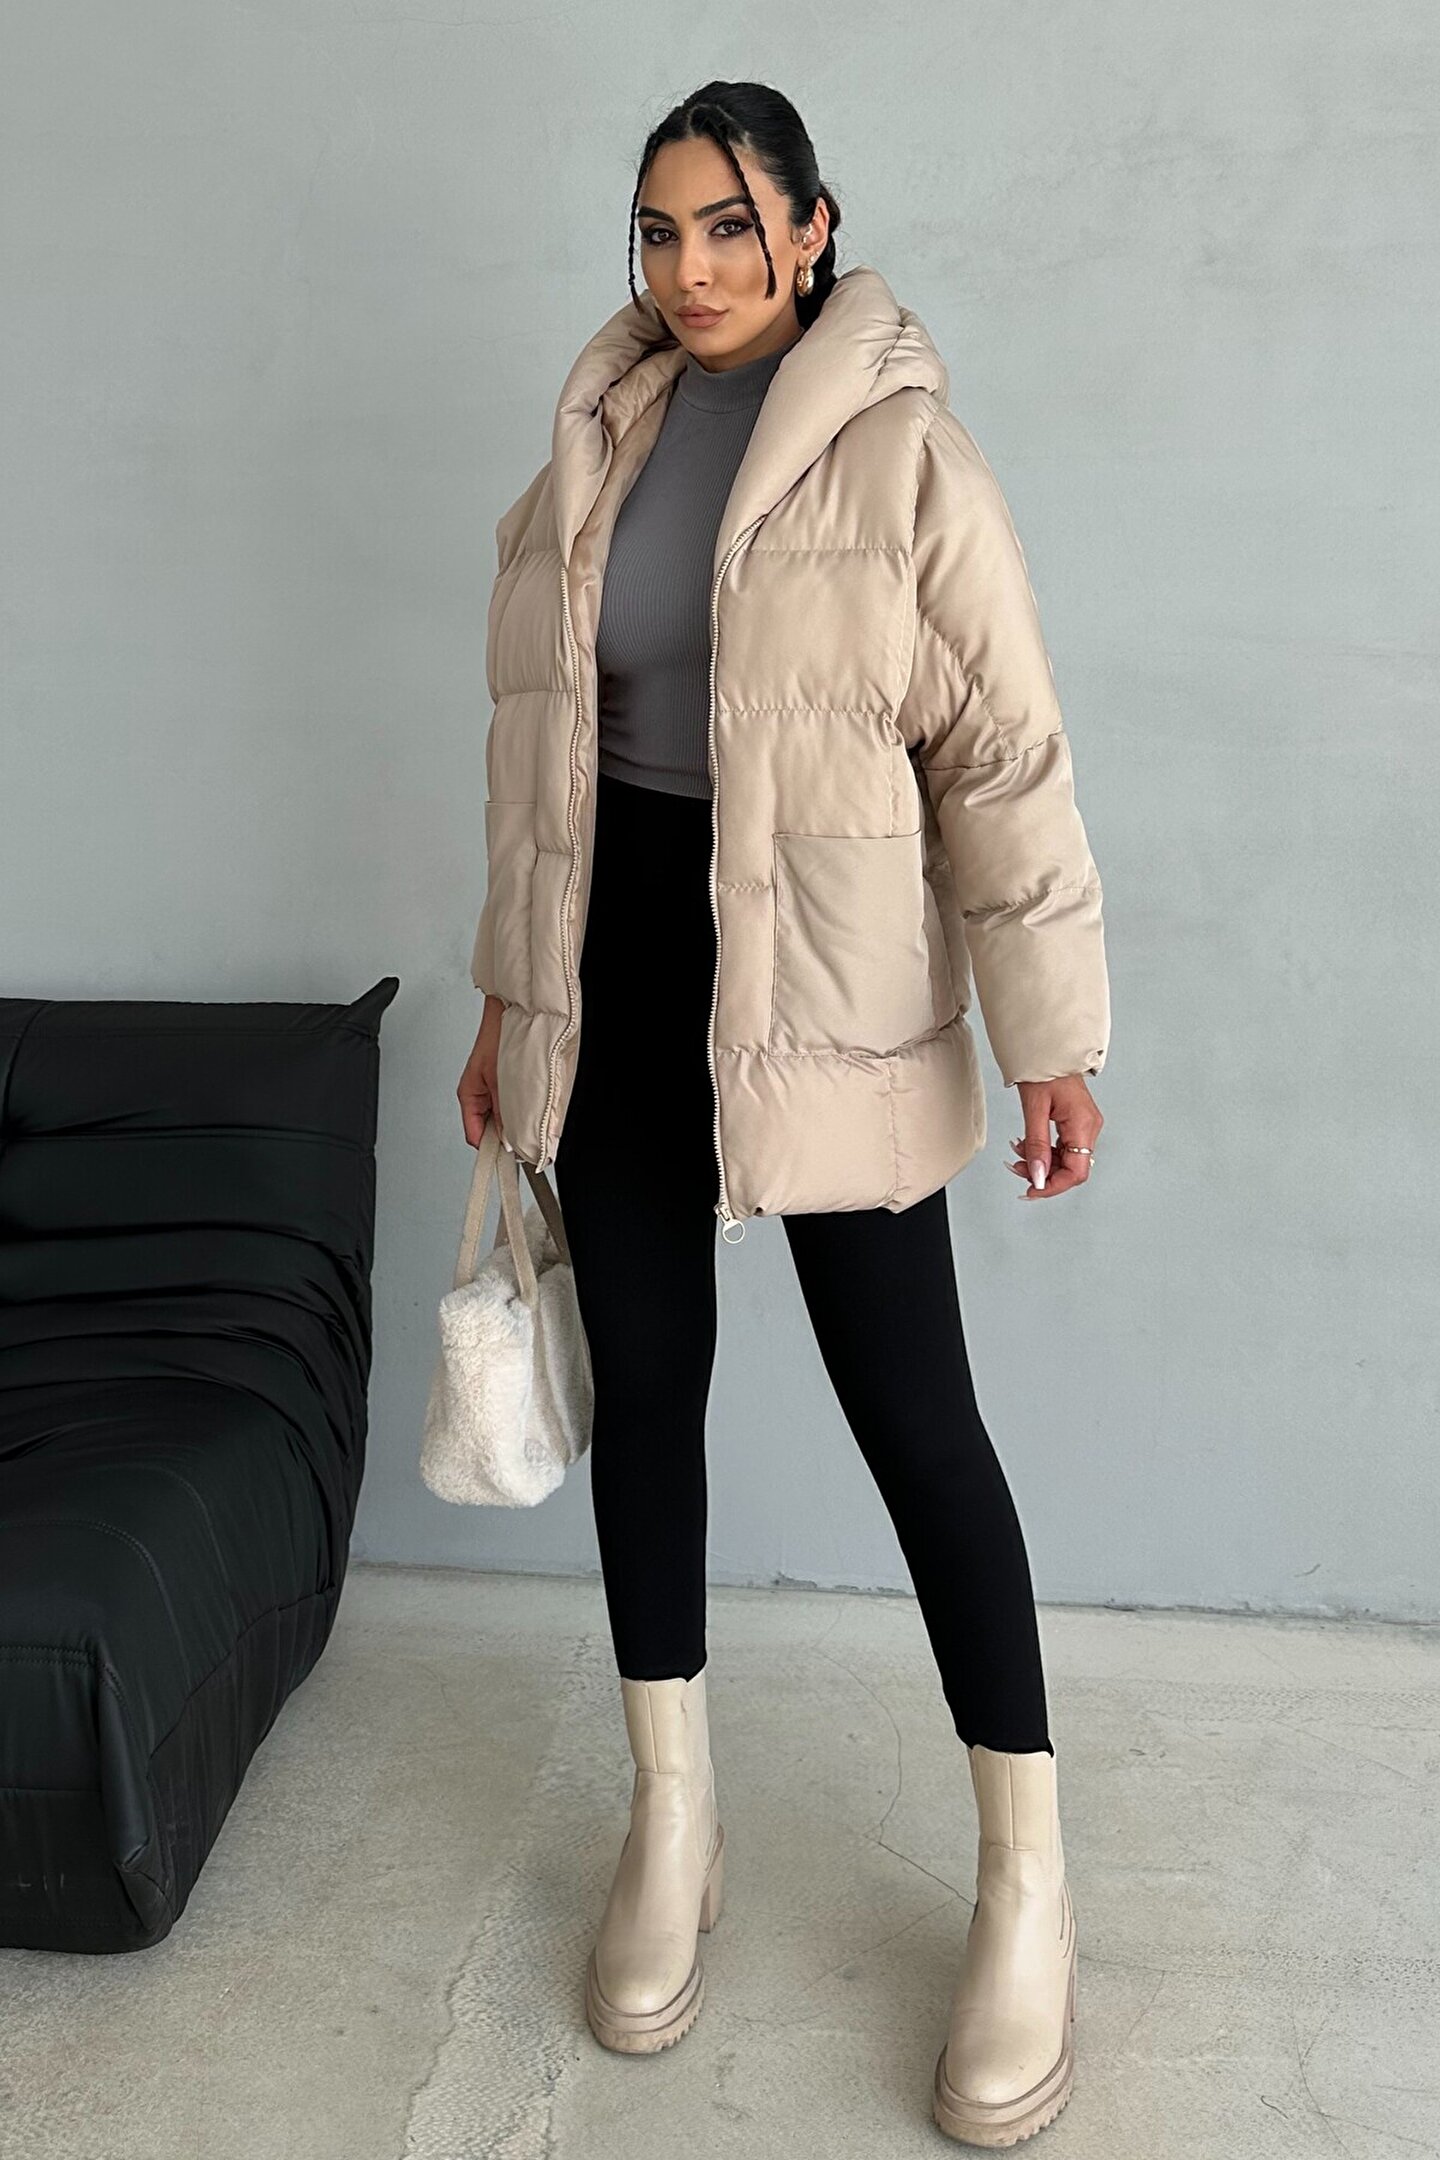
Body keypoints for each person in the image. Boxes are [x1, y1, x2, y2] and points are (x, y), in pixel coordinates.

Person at [456, 79, 1109, 2147]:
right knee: (649, 1392)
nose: (692, 269)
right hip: (619, 984)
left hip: (831, 997)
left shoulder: (906, 453)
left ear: (815, 230)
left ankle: (1027, 1886)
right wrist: (511, 997)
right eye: (659, 232)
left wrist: (1053, 1038)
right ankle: (675, 1817)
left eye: (730, 226)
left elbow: (1003, 755)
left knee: (918, 1422)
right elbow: (543, 752)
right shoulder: (607, 430)